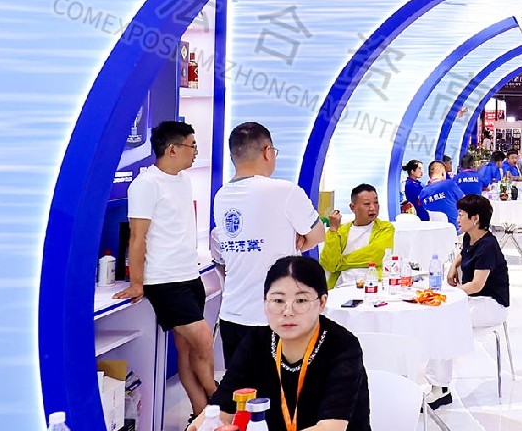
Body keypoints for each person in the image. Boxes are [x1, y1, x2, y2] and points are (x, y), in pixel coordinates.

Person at [193, 255, 381, 431]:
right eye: (278, 300)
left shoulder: (342, 347)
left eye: (301, 300)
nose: (288, 311)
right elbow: (221, 409)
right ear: (265, 303)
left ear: (322, 303)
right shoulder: (256, 344)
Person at [209, 121, 327, 367]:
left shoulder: (221, 196)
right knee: (281, 388)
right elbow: (317, 235)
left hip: (232, 315)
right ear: (267, 152)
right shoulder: (284, 191)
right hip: (276, 318)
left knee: (242, 389)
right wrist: (295, 242)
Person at [121, 119, 217, 413]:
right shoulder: (145, 185)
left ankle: (201, 414)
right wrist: (137, 283)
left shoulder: (183, 180)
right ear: (172, 149)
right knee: (203, 339)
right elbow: (137, 237)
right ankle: (218, 401)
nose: (196, 151)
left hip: (189, 274)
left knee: (186, 350)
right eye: (192, 145)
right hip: (164, 280)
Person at [434, 193, 511, 408]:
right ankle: (438, 384)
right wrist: (453, 267)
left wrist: (450, 294)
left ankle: (440, 388)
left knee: (443, 323)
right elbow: (463, 252)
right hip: (475, 301)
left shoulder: (488, 246)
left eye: (461, 214)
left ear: (475, 218)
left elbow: (477, 285)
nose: (457, 218)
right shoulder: (471, 237)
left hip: (491, 305)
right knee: (440, 319)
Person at [321, 183, 394, 283]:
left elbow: (377, 255)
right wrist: (333, 230)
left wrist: (339, 263)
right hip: (342, 285)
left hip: (373, 283)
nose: (373, 208)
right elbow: (329, 264)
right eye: (367, 204)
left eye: (376, 202)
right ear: (353, 207)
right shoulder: (340, 231)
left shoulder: (385, 228)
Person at [416, 158, 462, 224]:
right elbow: (463, 201)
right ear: (443, 173)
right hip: (454, 227)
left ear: (429, 175)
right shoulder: (449, 184)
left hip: (434, 228)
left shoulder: (422, 193)